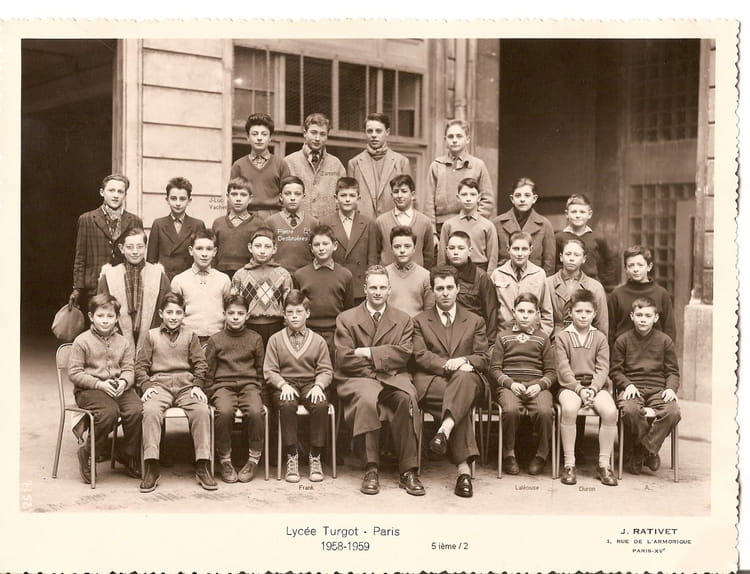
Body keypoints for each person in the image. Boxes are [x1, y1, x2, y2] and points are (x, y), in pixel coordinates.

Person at [334, 265, 424, 496]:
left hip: (394, 377)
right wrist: (380, 362)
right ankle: (371, 468)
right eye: (373, 287)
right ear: (364, 289)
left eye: (382, 287)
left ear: (389, 290)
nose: (377, 292)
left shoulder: (403, 320)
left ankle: (408, 470)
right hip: (359, 377)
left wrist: (368, 352)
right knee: (367, 400)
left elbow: (403, 354)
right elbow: (345, 358)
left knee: (407, 399)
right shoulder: (346, 318)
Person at [412, 266, 489, 498]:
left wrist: (463, 360)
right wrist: (448, 364)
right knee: (459, 405)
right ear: (432, 291)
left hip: (467, 380)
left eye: (449, 287)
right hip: (432, 381)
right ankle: (464, 473)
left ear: (458, 288)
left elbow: (483, 357)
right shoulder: (419, 321)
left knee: (464, 379)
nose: (445, 293)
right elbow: (420, 355)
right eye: (439, 288)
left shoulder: (475, 320)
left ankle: (444, 430)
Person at [134, 292, 216, 493]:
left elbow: (200, 364)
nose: (173, 317)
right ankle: (152, 465)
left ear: (184, 314)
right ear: (161, 313)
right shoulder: (151, 336)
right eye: (169, 312)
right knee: (150, 411)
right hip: (159, 385)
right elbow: (140, 366)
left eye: (178, 312)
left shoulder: (190, 335)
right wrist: (146, 386)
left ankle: (202, 463)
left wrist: (197, 385)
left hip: (186, 386)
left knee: (202, 410)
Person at [68, 293, 142, 483]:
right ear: (91, 316)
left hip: (118, 387)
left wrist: (124, 382)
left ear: (117, 318)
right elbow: (74, 373)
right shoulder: (82, 341)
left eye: (110, 316)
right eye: (100, 316)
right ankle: (88, 452)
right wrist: (99, 384)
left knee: (137, 410)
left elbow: (129, 369)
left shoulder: (123, 342)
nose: (105, 320)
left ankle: (127, 454)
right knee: (109, 412)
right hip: (89, 390)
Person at [264, 290, 333, 483]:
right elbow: (269, 370)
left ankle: (315, 456)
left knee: (320, 405)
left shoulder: (318, 340)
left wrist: (319, 386)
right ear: (284, 314)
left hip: (311, 383)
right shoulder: (275, 339)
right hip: (286, 384)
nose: (294, 316)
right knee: (286, 405)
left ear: (307, 313)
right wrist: (282, 384)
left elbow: (326, 370)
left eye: (299, 312)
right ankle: (291, 455)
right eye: (290, 312)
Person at [611, 297, 681, 475]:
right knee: (630, 410)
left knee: (673, 412)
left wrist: (670, 388)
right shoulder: (622, 340)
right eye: (639, 315)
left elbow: (673, 371)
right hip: (633, 389)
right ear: (632, 316)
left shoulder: (665, 341)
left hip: (658, 390)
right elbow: (615, 371)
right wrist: (626, 385)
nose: (643, 319)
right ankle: (650, 451)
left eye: (648, 316)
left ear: (655, 318)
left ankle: (642, 450)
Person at [554, 289, 618, 487]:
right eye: (579, 311)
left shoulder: (599, 338)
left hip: (595, 386)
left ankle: (604, 464)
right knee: (569, 408)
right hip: (570, 386)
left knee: (610, 411)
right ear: (570, 312)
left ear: (595, 313)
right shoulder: (562, 337)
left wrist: (593, 388)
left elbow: (603, 368)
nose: (583, 316)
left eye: (588, 312)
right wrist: (579, 389)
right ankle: (569, 464)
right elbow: (563, 368)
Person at [489, 293, 557, 476]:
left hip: (536, 387)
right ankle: (509, 454)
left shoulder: (543, 338)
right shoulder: (503, 337)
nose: (525, 316)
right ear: (513, 312)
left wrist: (539, 385)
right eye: (521, 311)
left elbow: (551, 372)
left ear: (537, 315)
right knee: (510, 410)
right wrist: (510, 384)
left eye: (530, 312)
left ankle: (541, 454)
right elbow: (495, 369)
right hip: (510, 387)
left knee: (544, 411)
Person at [204, 294, 266, 484]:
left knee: (256, 412)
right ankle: (225, 460)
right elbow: (209, 371)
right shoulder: (216, 340)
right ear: (224, 314)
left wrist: (259, 391)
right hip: (223, 386)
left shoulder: (255, 338)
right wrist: (209, 394)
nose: (236, 317)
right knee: (224, 412)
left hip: (249, 385)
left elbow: (260, 370)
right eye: (231, 313)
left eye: (240, 313)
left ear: (247, 315)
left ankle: (253, 459)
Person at [69, 174, 143, 317]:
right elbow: (80, 257)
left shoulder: (134, 221)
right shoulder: (87, 219)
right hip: (95, 287)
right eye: (111, 190)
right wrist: (77, 289)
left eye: (120, 192)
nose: (115, 195)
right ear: (102, 192)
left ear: (125, 195)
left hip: (124, 285)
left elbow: (138, 255)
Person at [97, 227, 171, 350]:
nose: (135, 251)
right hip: (116, 340)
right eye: (130, 247)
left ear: (145, 247)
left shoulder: (159, 276)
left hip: (152, 341)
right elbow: (100, 311)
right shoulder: (109, 276)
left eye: (140, 247)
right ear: (122, 248)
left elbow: (167, 309)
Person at [294, 224, 354, 362]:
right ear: (311, 248)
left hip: (335, 333)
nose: (321, 248)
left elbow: (348, 310)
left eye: (325, 244)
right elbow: (297, 307)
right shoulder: (300, 275)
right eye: (317, 245)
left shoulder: (345, 275)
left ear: (335, 245)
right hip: (308, 332)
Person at [422, 119, 495, 230]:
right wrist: (433, 232)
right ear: (445, 140)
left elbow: (487, 201)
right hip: (441, 227)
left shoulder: (478, 165)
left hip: (470, 226)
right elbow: (428, 204)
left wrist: (474, 224)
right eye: (450, 137)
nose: (454, 140)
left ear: (467, 139)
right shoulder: (436, 166)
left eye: (459, 136)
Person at [318, 177, 378, 305]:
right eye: (343, 195)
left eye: (352, 195)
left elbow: (372, 259)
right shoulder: (325, 222)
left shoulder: (368, 223)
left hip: (359, 287)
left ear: (358, 199)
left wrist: (370, 284)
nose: (347, 199)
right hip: (334, 283)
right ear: (336, 198)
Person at [231, 227, 293, 347]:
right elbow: (234, 303)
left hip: (276, 326)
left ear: (274, 249)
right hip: (248, 326)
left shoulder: (283, 274)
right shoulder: (240, 275)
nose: (262, 251)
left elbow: (289, 303)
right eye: (258, 246)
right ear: (250, 247)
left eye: (267, 246)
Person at [347, 113, 412, 220]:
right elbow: (350, 200)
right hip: (364, 224)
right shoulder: (354, 163)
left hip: (394, 223)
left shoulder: (401, 162)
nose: (373, 135)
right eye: (369, 131)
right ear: (365, 132)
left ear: (387, 132)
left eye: (378, 131)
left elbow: (408, 200)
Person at [170, 230, 231, 344]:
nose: (204, 254)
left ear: (215, 252)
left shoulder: (223, 279)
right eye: (199, 248)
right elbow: (173, 313)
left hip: (217, 338)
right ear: (191, 251)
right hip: (188, 339)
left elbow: (229, 310)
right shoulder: (179, 280)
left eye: (209, 249)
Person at [607, 245, 676, 346]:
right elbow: (610, 331)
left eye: (640, 265)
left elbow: (669, 330)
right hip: (624, 352)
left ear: (649, 267)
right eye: (631, 265)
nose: (635, 269)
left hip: (654, 352)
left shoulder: (661, 294)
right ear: (625, 268)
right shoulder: (617, 295)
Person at [284, 112, 346, 219]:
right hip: (298, 224)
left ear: (327, 136)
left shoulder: (336, 164)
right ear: (305, 133)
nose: (317, 138)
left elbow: (343, 199)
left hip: (328, 225)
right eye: (313, 132)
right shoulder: (289, 162)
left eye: (322, 134)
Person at [490, 230, 553, 335]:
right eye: (515, 249)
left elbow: (547, 311)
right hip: (504, 334)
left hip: (533, 335)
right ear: (508, 249)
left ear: (530, 250)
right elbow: (491, 310)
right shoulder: (498, 274)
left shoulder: (539, 274)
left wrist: (541, 335)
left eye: (524, 249)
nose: (520, 254)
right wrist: (496, 337)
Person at [229, 112, 291, 219]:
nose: (259, 138)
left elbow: (288, 197)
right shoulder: (238, 165)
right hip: (245, 217)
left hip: (274, 217)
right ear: (247, 137)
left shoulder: (281, 165)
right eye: (254, 134)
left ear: (270, 138)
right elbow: (232, 197)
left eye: (264, 134)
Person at [146, 176, 207, 281]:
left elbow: (203, 257)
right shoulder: (158, 224)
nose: (178, 203)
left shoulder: (197, 225)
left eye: (182, 199)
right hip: (164, 280)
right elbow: (151, 260)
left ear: (189, 201)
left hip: (189, 280)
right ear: (167, 200)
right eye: (173, 198)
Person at [444, 230, 498, 346]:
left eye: (461, 248)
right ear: (446, 251)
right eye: (452, 248)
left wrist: (490, 344)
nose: (455, 252)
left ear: (469, 251)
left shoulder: (481, 277)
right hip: (445, 337)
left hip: (473, 338)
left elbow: (491, 312)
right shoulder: (439, 276)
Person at [546, 238, 609, 338]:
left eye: (576, 255)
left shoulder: (595, 287)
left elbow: (601, 325)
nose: (571, 258)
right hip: (554, 338)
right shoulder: (548, 284)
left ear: (584, 259)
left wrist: (598, 345)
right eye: (568, 254)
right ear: (561, 257)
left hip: (585, 339)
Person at [554, 193, 616, 292]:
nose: (578, 215)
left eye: (582, 212)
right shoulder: (559, 237)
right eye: (574, 212)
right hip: (566, 284)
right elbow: (554, 263)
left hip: (590, 285)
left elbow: (610, 261)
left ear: (589, 214)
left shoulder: (598, 237)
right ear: (567, 214)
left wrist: (603, 282)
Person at [493, 177, 556, 275]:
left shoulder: (545, 225)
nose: (522, 199)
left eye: (527, 195)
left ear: (534, 199)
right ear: (512, 199)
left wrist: (544, 281)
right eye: (518, 195)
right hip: (505, 277)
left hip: (534, 278)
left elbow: (549, 262)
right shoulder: (498, 223)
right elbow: (493, 258)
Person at [437, 177, 498, 273]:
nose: (468, 199)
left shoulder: (488, 226)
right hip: (453, 271)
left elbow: (493, 258)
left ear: (479, 197)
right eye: (464, 194)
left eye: (472, 194)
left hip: (479, 271)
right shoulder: (448, 225)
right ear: (458, 197)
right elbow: (442, 257)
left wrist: (489, 277)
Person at [374, 174, 435, 268]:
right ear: (391, 195)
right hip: (387, 275)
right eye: (396, 192)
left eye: (404, 191)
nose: (399, 195)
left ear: (413, 195)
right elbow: (375, 254)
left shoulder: (425, 222)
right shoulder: (381, 222)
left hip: (416, 275)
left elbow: (428, 256)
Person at [211, 177, 265, 278]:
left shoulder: (258, 224)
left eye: (243, 195)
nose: (238, 199)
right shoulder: (218, 223)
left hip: (249, 274)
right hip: (221, 274)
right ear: (227, 197)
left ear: (250, 199)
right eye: (234, 194)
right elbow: (212, 252)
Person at [265, 176, 316, 273]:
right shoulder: (271, 222)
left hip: (305, 274)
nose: (292, 198)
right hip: (277, 274)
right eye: (288, 194)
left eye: (297, 194)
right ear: (281, 197)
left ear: (303, 197)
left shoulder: (313, 222)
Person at [384, 226, 435, 317]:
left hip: (416, 324)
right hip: (390, 324)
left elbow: (429, 312)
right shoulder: (384, 275)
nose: (402, 250)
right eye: (397, 247)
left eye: (407, 246)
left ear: (414, 248)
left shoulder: (425, 276)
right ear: (391, 249)